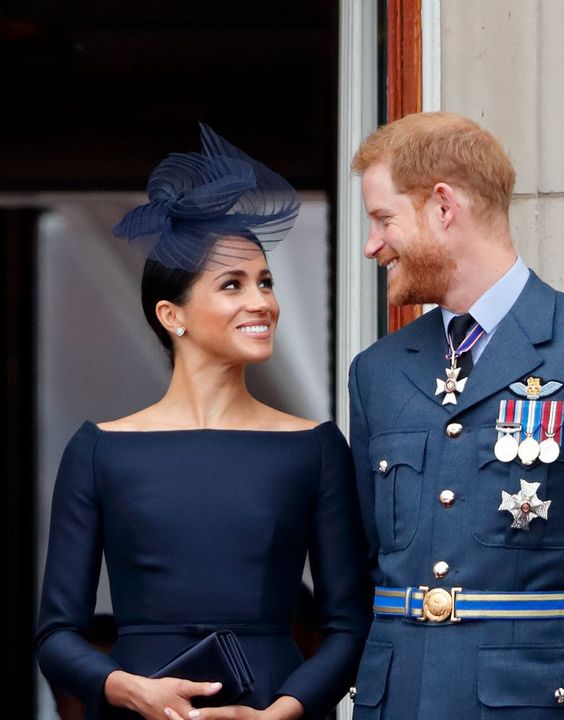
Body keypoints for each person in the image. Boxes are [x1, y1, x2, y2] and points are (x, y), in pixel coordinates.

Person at [35, 124, 369, 720]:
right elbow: (57, 635)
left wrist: (280, 713)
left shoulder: (313, 448)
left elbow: (348, 626)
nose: (262, 302)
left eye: (265, 282)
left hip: (270, 708)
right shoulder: (99, 451)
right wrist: (128, 688)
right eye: (233, 285)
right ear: (173, 315)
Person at [345, 112, 564, 719]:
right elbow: (369, 558)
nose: (372, 245)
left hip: (538, 702)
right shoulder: (378, 371)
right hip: (400, 698)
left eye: (383, 218)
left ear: (444, 206)